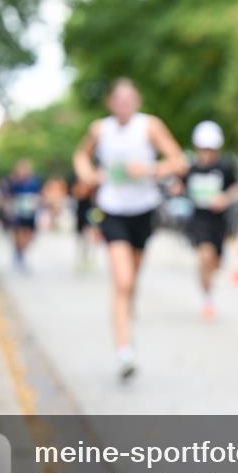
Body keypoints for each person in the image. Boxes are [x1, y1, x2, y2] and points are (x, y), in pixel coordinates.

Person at [73, 78, 187, 380]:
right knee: (122, 281)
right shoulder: (100, 129)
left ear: (137, 101)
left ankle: (127, 310)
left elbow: (178, 161)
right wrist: (88, 174)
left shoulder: (150, 126)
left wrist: (150, 170)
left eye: (129, 98)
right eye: (118, 99)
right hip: (112, 210)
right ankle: (125, 351)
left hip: (144, 211)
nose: (124, 103)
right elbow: (80, 155)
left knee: (132, 279)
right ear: (111, 103)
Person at [180, 120, 238, 321]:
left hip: (219, 221)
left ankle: (208, 281)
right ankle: (207, 299)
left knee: (216, 261)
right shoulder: (191, 168)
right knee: (205, 255)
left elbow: (237, 187)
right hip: (198, 220)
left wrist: (226, 198)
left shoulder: (224, 167)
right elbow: (179, 187)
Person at [6, 159, 42, 272]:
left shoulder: (34, 182)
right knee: (20, 234)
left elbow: (39, 195)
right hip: (19, 213)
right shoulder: (14, 183)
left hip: (31, 213)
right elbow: (8, 197)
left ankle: (20, 251)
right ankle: (20, 255)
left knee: (30, 236)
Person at [71, 176, 100, 272]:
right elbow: (77, 194)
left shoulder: (93, 186)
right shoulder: (77, 184)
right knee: (81, 237)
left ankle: (89, 257)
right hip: (80, 213)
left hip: (90, 212)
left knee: (91, 235)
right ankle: (82, 257)